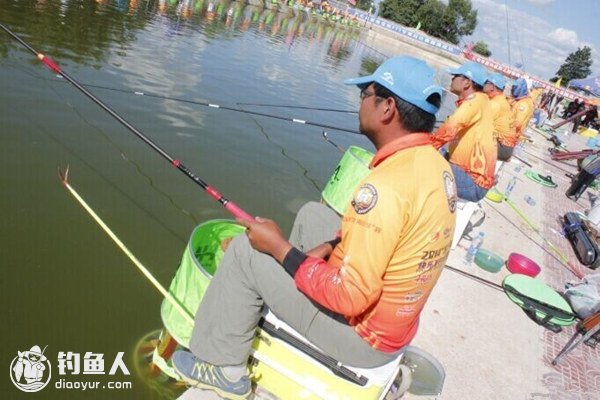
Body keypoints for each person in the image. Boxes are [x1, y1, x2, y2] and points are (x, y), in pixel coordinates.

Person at [171, 56, 457, 399]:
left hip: (362, 339)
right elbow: (391, 236)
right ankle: (274, 288)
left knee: (247, 251)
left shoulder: (384, 188)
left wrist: (279, 249)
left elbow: (350, 297)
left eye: (366, 93)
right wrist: (321, 250)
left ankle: (223, 369)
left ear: (388, 108)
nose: (360, 101)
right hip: (391, 322)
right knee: (312, 215)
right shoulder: (430, 163)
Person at [430, 61, 496, 202]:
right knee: (434, 149)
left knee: (421, 160)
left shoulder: (474, 101)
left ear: (467, 82)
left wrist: (422, 150)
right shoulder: (482, 100)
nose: (452, 79)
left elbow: (450, 128)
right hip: (472, 177)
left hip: (472, 183)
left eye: (455, 76)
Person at [484, 73, 516, 161]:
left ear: (492, 87)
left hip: (502, 148)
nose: (483, 84)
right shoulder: (501, 100)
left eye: (486, 82)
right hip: (506, 147)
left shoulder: (495, 104)